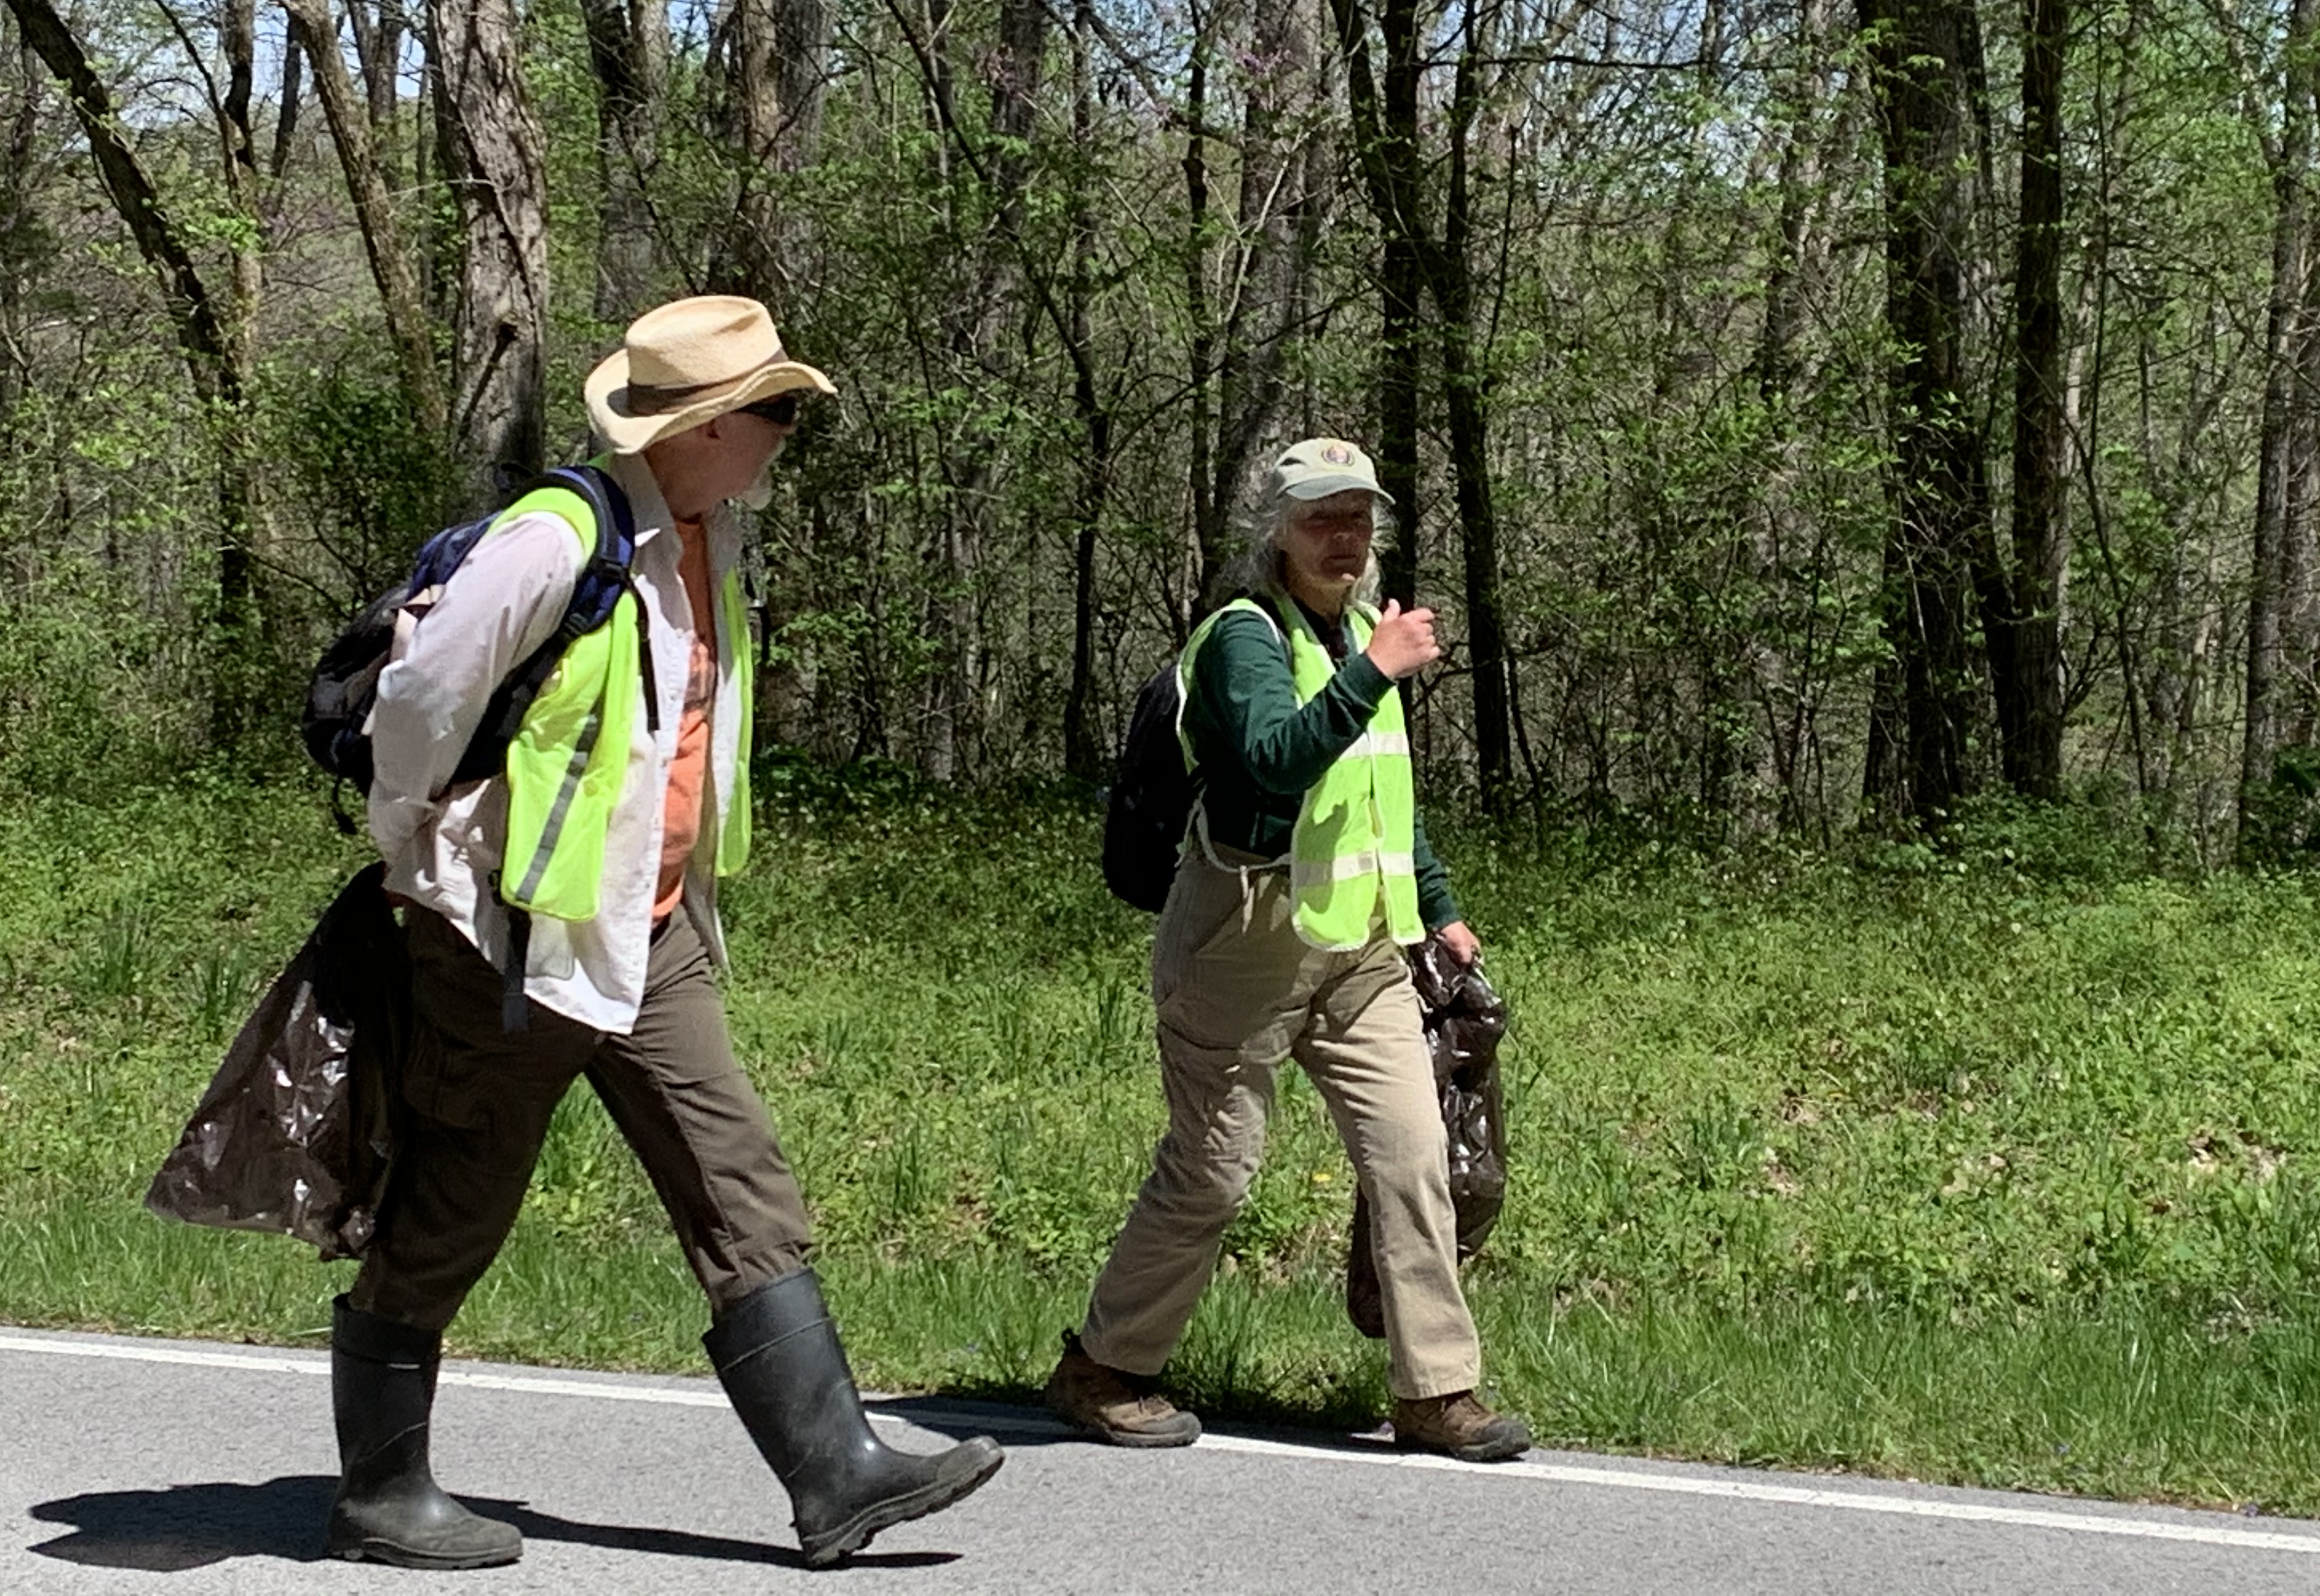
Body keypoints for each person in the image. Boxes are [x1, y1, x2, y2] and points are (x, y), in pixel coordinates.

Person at [331, 296, 1002, 1570]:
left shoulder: (703, 538)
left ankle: (836, 1473)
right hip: (510, 941)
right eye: (776, 415)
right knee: (457, 1206)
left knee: (739, 1178)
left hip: (649, 937)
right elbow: (419, 695)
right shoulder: (554, 540)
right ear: (702, 428)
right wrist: (415, 843)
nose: (788, 435)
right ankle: (379, 1491)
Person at [1046, 438, 1531, 1463]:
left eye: (1357, 516)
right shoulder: (1244, 638)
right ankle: (1103, 1368)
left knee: (1413, 1162)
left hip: (1357, 948)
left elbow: (1383, 795)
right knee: (1214, 1173)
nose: (1344, 536)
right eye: (1321, 517)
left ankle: (1436, 1392)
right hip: (1240, 937)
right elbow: (1273, 764)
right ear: (1277, 529)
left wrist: (1437, 908)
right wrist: (1373, 671)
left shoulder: (1363, 629)